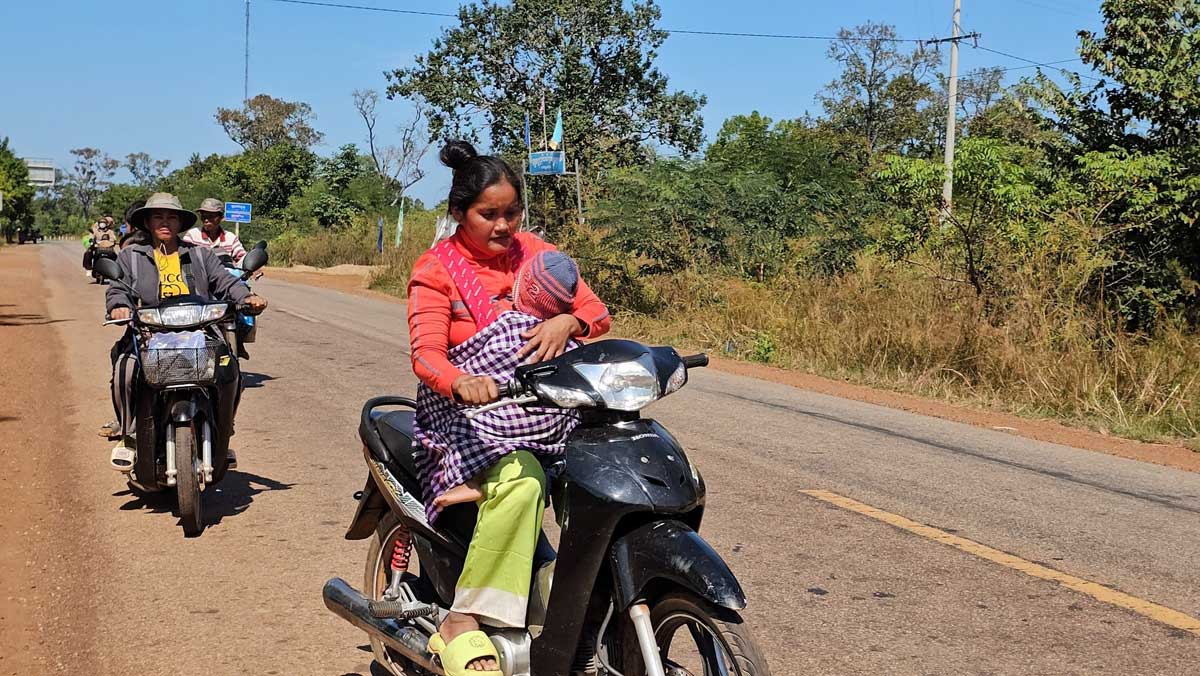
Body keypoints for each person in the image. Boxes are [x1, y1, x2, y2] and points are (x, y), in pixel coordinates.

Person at [406, 141, 610, 674]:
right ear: (458, 213)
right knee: (521, 478)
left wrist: (571, 321)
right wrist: (460, 381)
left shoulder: (536, 253)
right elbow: (426, 355)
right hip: (466, 415)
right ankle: (463, 619)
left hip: (544, 405)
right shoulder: (436, 269)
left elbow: (594, 311)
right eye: (488, 214)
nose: (503, 225)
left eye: (511, 213)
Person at [104, 193, 268, 470]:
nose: (165, 222)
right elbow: (117, 289)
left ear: (180, 223)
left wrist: (245, 298)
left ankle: (223, 430)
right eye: (158, 216)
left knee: (230, 372)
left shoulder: (200, 254)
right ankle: (129, 435)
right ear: (146, 222)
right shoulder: (131, 256)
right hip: (148, 335)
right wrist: (119, 306)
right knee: (125, 371)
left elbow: (226, 282)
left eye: (171, 217)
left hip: (200, 333)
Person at [426, 250, 587, 513]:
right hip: (548, 429)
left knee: (464, 422)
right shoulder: (569, 339)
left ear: (524, 287)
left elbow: (474, 356)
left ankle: (470, 478)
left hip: (504, 421)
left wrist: (460, 379)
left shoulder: (507, 324)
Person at [182, 198, 246, 265]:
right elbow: (184, 258)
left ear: (221, 218)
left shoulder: (230, 238)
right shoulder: (192, 235)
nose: (206, 220)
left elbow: (242, 259)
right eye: (203, 216)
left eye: (211, 216)